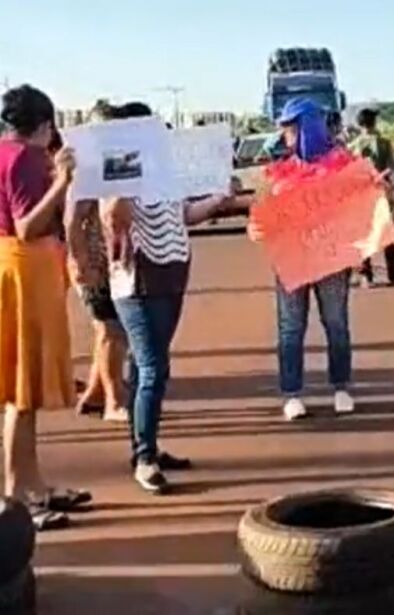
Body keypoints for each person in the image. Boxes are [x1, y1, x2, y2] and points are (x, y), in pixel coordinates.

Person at [81, 102, 235, 495]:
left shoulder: (165, 173)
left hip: (170, 276)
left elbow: (184, 214)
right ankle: (144, 458)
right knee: (153, 369)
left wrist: (219, 200)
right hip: (139, 283)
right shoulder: (122, 170)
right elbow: (112, 214)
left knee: (146, 367)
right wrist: (123, 171)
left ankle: (144, 446)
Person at [0, 85, 88, 530]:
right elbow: (27, 224)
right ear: (44, 125)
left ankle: (33, 484)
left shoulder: (7, 153)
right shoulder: (23, 158)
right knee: (21, 392)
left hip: (16, 266)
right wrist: (62, 182)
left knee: (27, 391)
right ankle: (17, 493)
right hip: (25, 267)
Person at [248, 98, 356, 422]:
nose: (286, 137)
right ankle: (292, 393)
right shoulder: (277, 171)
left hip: (331, 261)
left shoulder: (343, 166)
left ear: (307, 128)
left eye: (290, 130)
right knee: (291, 328)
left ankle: (341, 387)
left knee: (336, 323)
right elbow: (260, 211)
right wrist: (258, 222)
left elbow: (359, 206)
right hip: (291, 261)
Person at [66, 103, 129, 424]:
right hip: (93, 264)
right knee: (111, 331)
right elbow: (72, 220)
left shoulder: (115, 164)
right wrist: (80, 261)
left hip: (111, 263)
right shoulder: (88, 170)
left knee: (110, 332)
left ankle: (94, 394)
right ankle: (113, 402)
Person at [350, 108, 394, 287]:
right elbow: (391, 166)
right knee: (387, 232)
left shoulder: (354, 146)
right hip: (381, 191)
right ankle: (393, 273)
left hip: (362, 194)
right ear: (374, 122)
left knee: (364, 233)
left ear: (360, 124)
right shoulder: (384, 143)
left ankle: (366, 274)